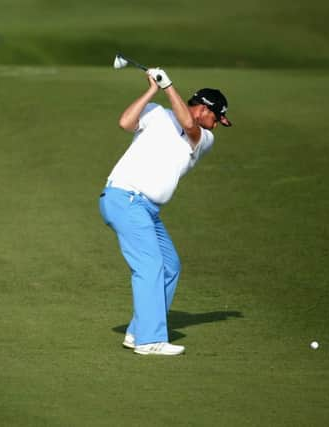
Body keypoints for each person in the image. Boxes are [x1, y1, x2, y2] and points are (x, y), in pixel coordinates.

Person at [99, 67, 231, 356]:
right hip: (125, 198)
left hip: (146, 209)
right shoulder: (156, 112)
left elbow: (188, 123)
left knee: (169, 266)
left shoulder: (203, 138)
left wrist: (169, 85)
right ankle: (149, 340)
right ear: (204, 109)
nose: (217, 125)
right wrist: (152, 90)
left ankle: (137, 332)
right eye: (216, 117)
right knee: (149, 267)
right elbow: (125, 122)